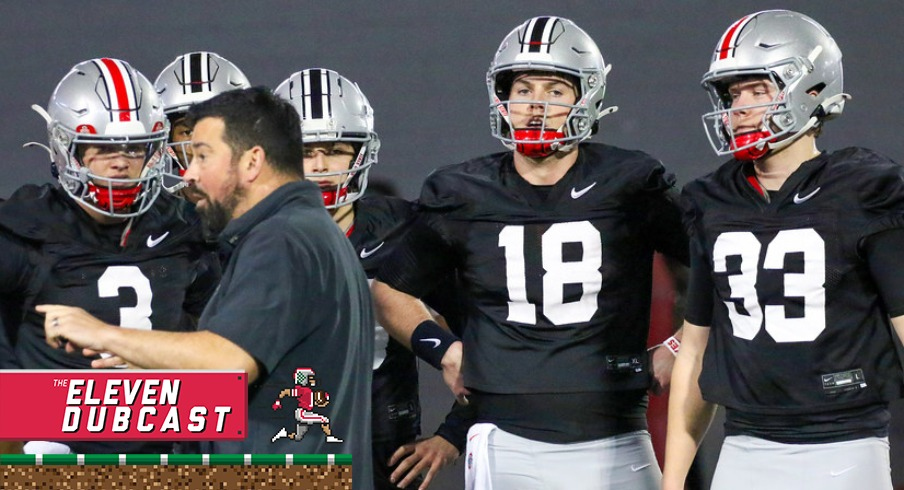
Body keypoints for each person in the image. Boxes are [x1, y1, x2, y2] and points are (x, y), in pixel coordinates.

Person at [372, 16, 688, 490]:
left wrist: (680, 346)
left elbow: (724, 265)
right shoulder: (462, 191)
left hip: (618, 432)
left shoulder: (631, 183)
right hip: (505, 436)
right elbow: (389, 289)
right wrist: (445, 351)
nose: (536, 105)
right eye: (523, 88)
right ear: (503, 98)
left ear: (587, 99)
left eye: (556, 90)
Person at [38, 87, 374, 488]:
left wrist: (103, 333)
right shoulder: (311, 232)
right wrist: (152, 365)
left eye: (201, 155)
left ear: (252, 162)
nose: (189, 174)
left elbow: (229, 365)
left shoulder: (281, 239)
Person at [663, 10, 904, 490]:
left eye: (759, 90)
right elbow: (695, 351)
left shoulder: (862, 189)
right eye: (734, 94)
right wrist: (673, 481)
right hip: (744, 445)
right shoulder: (712, 200)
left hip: (845, 445)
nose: (741, 108)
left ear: (811, 89)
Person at [0, 58, 220, 455]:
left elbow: (224, 346)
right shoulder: (24, 231)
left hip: (165, 450)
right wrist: (17, 427)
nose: (120, 163)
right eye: (102, 148)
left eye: (134, 148)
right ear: (68, 149)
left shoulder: (186, 229)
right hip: (55, 452)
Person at [276, 68, 465, 490]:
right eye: (306, 152)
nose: (321, 167)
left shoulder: (404, 230)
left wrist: (452, 435)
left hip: (381, 445)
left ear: (361, 154)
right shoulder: (245, 238)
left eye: (336, 150)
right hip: (279, 445)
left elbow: (485, 334)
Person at [154, 51, 250, 199]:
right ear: (168, 140)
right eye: (187, 132)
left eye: (214, 129)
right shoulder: (155, 220)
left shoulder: (269, 215)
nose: (200, 142)